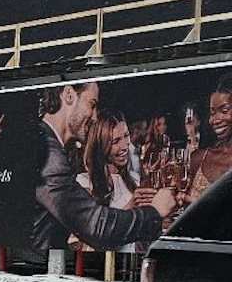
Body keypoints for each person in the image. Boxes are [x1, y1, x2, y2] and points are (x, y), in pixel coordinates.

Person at [33, 82, 174, 253]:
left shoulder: (44, 143)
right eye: (91, 105)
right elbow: (97, 227)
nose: (94, 117)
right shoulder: (48, 151)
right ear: (69, 94)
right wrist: (154, 212)